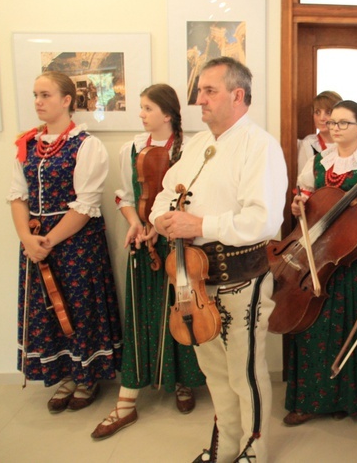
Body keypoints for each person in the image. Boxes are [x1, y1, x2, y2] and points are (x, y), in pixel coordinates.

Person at [150, 57, 287, 463]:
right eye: (200, 91)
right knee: (213, 370)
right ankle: (225, 444)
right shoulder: (195, 144)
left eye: (209, 91)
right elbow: (162, 194)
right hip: (193, 277)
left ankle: (254, 449)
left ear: (237, 95)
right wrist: (162, 219)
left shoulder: (259, 144)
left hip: (240, 275)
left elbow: (263, 220)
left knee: (243, 371)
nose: (199, 99)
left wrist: (200, 223)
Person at [90, 84, 206, 440]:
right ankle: (127, 399)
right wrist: (137, 224)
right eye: (141, 107)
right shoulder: (132, 148)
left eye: (147, 108)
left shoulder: (193, 149)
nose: (141, 114)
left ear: (167, 114)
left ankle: (184, 382)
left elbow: (198, 197)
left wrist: (164, 225)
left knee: (183, 312)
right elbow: (125, 195)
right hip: (144, 243)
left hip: (182, 243)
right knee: (141, 315)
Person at [8, 71, 122, 413]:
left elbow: (85, 206)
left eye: (45, 95)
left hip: (76, 242)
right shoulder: (26, 145)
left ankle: (87, 377)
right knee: (47, 309)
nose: (38, 102)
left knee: (78, 307)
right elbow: (18, 197)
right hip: (35, 241)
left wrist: (48, 240)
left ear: (67, 100)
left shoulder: (87, 145)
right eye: (35, 95)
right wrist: (28, 239)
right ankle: (65, 376)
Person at [284, 99, 357, 426]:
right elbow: (304, 201)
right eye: (332, 122)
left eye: (343, 123)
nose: (334, 128)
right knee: (314, 326)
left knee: (355, 327)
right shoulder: (319, 161)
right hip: (321, 256)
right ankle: (310, 399)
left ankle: (352, 399)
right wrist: (298, 207)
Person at [296, 90, 342, 175]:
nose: (322, 118)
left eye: (328, 112)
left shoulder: (347, 143)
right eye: (317, 112)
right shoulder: (309, 144)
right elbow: (302, 181)